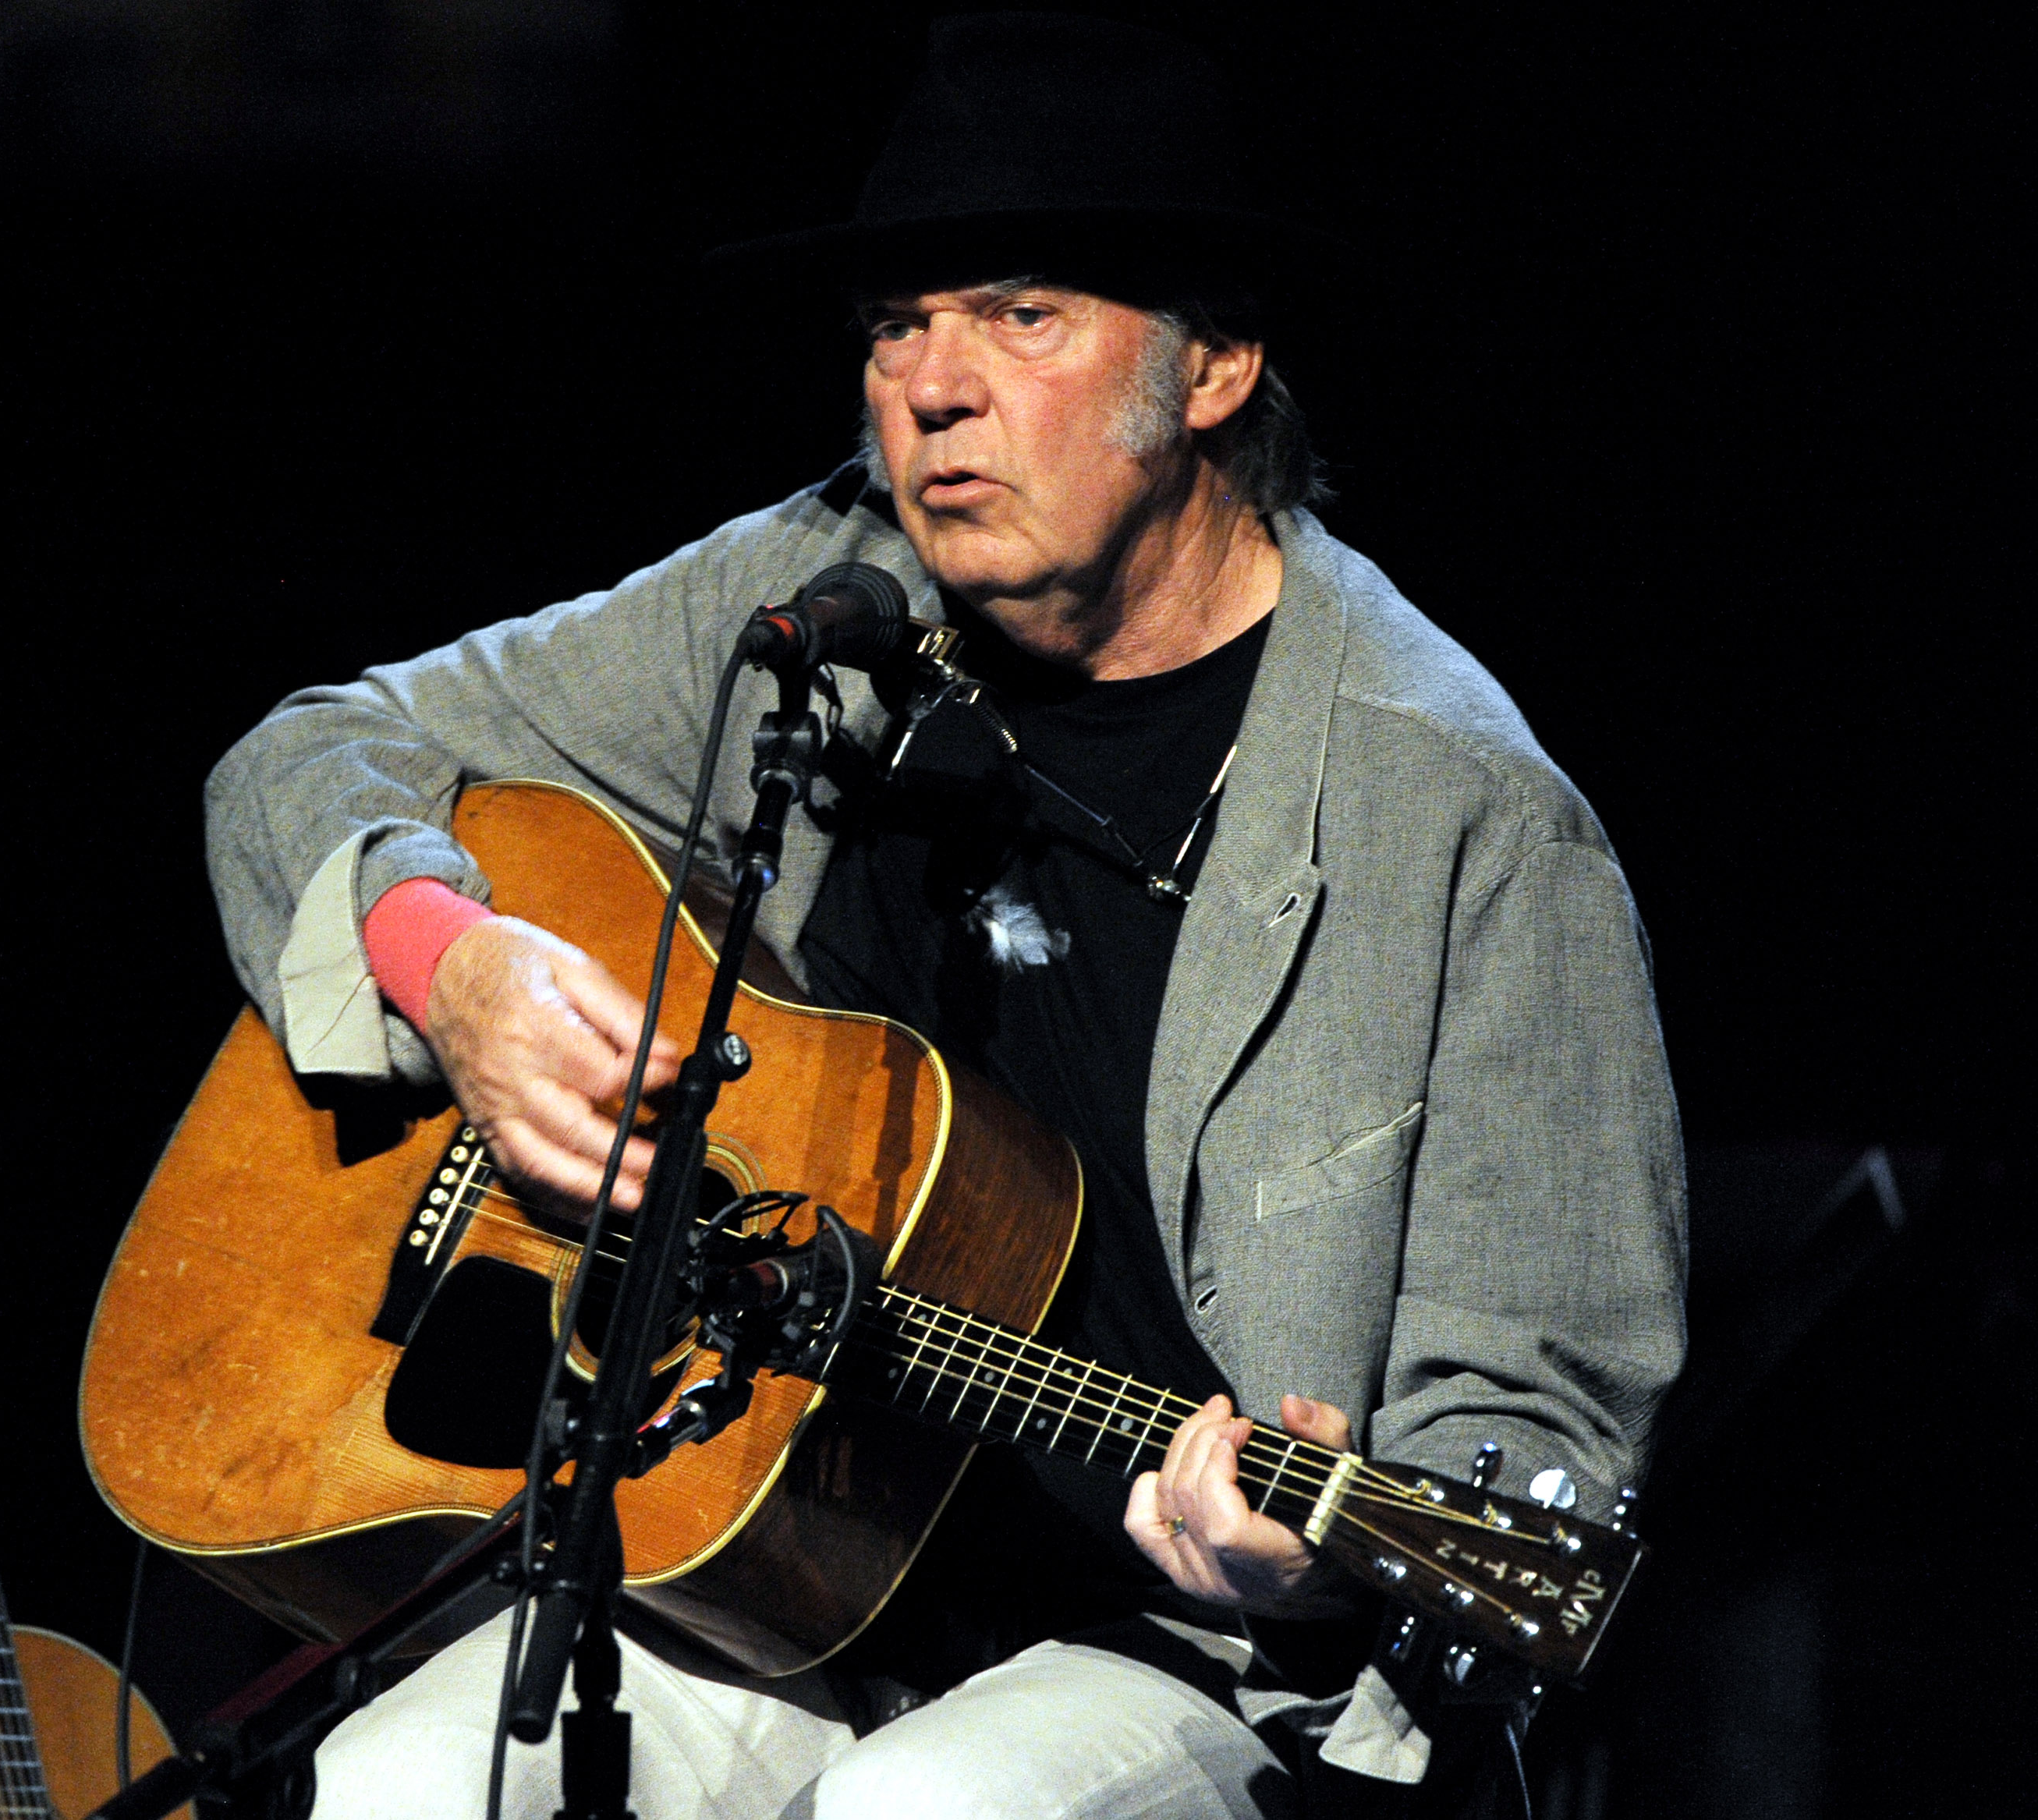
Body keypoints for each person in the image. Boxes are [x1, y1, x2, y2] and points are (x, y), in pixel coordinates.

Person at [204, 16, 1686, 1818]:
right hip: (793, 1572)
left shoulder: (1464, 816)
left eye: (1020, 315)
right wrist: (457, 972)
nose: (932, 384)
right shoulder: (818, 604)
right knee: (406, 1781)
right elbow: (313, 754)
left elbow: (1531, 1429)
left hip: (1195, 1658)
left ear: (1213, 363)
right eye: (898, 324)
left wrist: (1317, 1551)